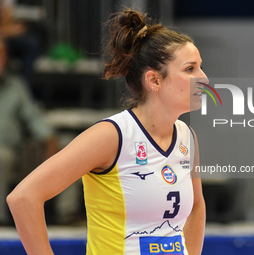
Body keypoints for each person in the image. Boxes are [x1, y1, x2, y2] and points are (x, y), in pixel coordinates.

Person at [7, 8, 207, 255]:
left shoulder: (187, 137)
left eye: (200, 67)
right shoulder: (112, 136)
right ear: (154, 80)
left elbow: (197, 207)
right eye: (190, 69)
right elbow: (23, 198)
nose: (204, 78)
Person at [0, 36, 58, 225]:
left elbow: (33, 116)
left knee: (66, 148)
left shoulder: (15, 86)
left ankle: (66, 214)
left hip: (15, 150)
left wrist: (49, 138)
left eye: (3, 54)